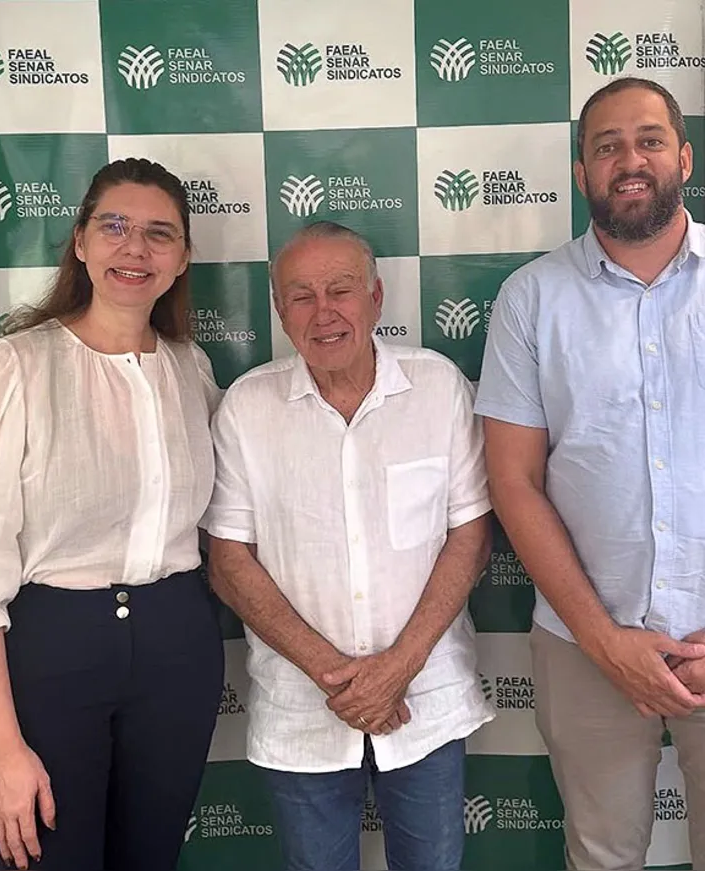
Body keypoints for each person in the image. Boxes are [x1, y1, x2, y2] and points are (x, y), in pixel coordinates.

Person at [202, 220, 493, 871]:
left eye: (341, 289)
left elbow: (471, 538)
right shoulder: (247, 407)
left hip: (426, 702)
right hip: (302, 710)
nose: (323, 311)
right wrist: (337, 676)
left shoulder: (438, 387)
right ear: (280, 311)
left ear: (376, 297)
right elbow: (228, 561)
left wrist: (397, 669)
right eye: (301, 296)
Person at [475, 77, 705, 870]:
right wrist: (604, 640)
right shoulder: (531, 298)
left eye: (649, 140)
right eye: (607, 146)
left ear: (683, 157)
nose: (629, 160)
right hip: (583, 644)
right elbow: (513, 481)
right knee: (602, 856)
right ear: (582, 172)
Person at [0, 157, 224, 871]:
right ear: (81, 241)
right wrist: (1, 749)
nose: (135, 248)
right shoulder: (13, 368)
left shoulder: (192, 369)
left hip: (179, 647)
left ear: (182, 258)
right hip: (51, 652)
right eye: (114, 226)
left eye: (159, 233)